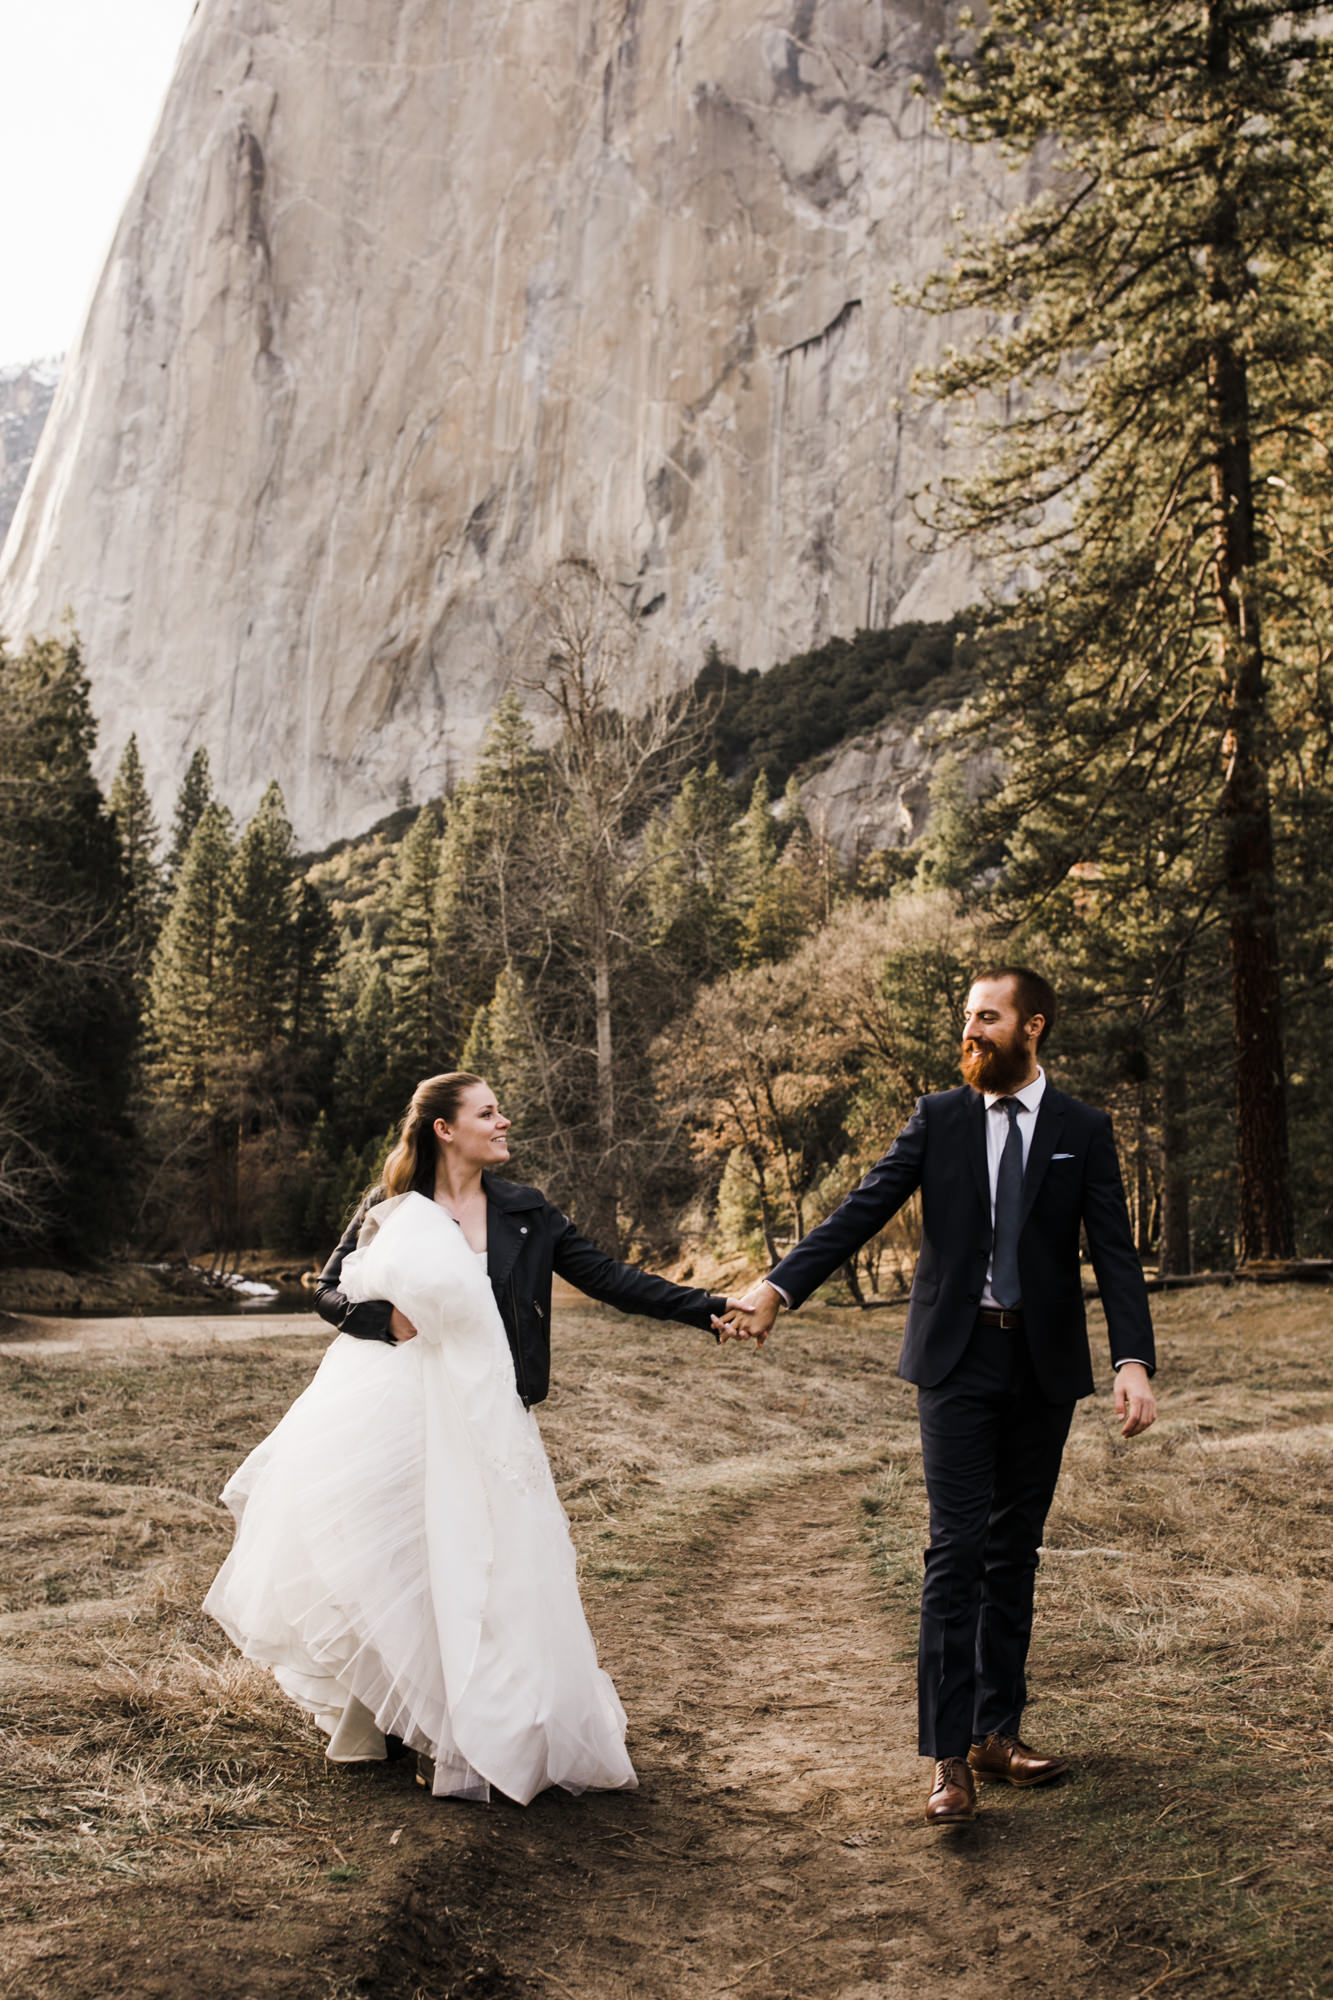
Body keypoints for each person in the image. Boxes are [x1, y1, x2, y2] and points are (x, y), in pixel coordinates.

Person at [205, 1071, 730, 1805]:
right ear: (445, 1128)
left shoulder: (526, 1212)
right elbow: (326, 1289)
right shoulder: (390, 1209)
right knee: (399, 1562)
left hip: (484, 1415)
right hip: (394, 1410)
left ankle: (469, 1726)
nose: (503, 1121)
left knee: (481, 1561)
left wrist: (708, 1308)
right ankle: (403, 1719)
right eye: (488, 1113)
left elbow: (610, 1278)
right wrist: (379, 1320)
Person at [716, 968, 1157, 1826]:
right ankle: (948, 1758)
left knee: (1013, 1552)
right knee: (954, 1552)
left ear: (1031, 1027)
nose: (970, 1030)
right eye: (966, 1017)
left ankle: (998, 1731)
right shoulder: (939, 1116)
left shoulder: (1082, 1129)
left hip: (1043, 1370)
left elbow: (1113, 1253)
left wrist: (1131, 1361)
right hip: (954, 1365)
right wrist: (777, 1288)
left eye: (986, 1018)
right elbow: (860, 1210)